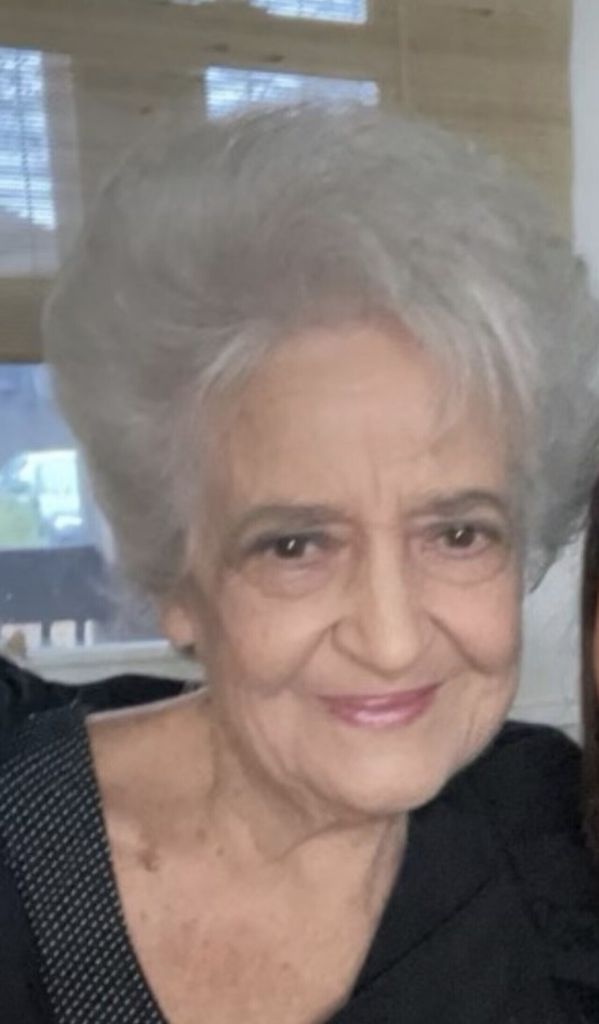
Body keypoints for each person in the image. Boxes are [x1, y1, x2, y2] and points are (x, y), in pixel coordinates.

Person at [1, 105, 599, 1023]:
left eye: (457, 534)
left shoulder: (549, 837)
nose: (391, 641)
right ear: (176, 578)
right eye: (294, 546)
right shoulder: (21, 855)